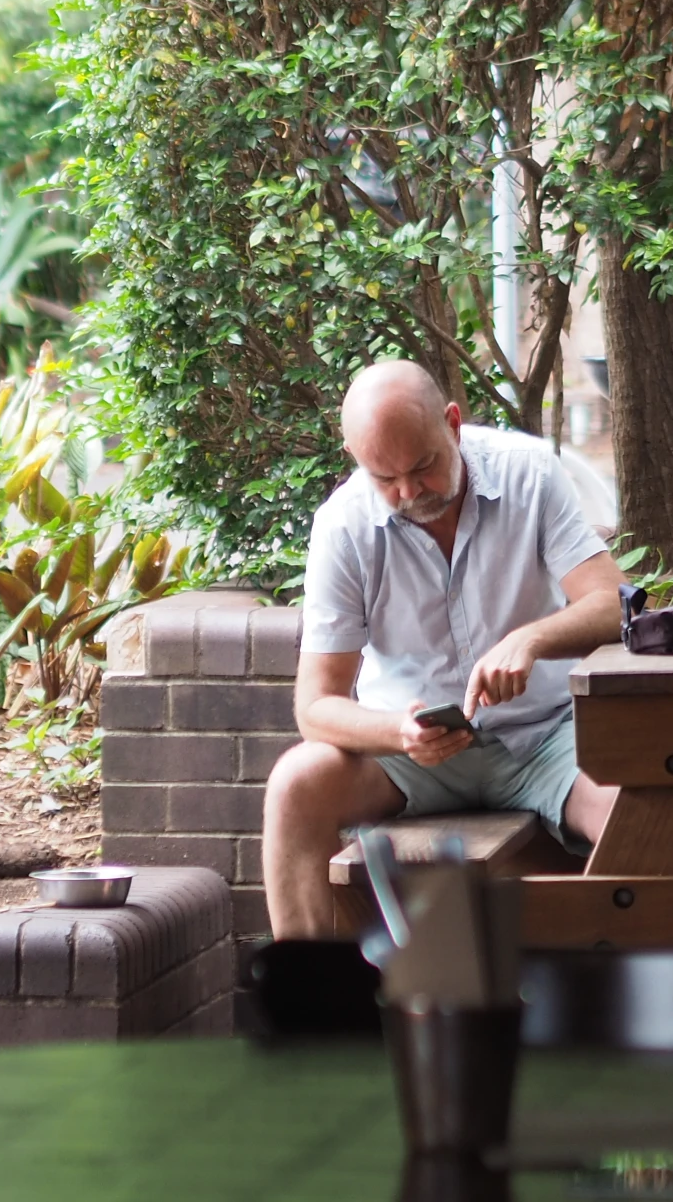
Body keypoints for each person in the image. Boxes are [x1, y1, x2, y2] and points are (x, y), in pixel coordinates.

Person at [262, 359, 628, 938]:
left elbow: (613, 604)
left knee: (647, 813)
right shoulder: (342, 526)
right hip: (412, 760)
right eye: (385, 478)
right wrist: (398, 732)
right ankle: (315, 1013)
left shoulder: (528, 471)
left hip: (548, 736)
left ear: (453, 423)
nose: (409, 492)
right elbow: (316, 707)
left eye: (424, 466)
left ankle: (631, 1004)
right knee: (294, 785)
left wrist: (532, 639)